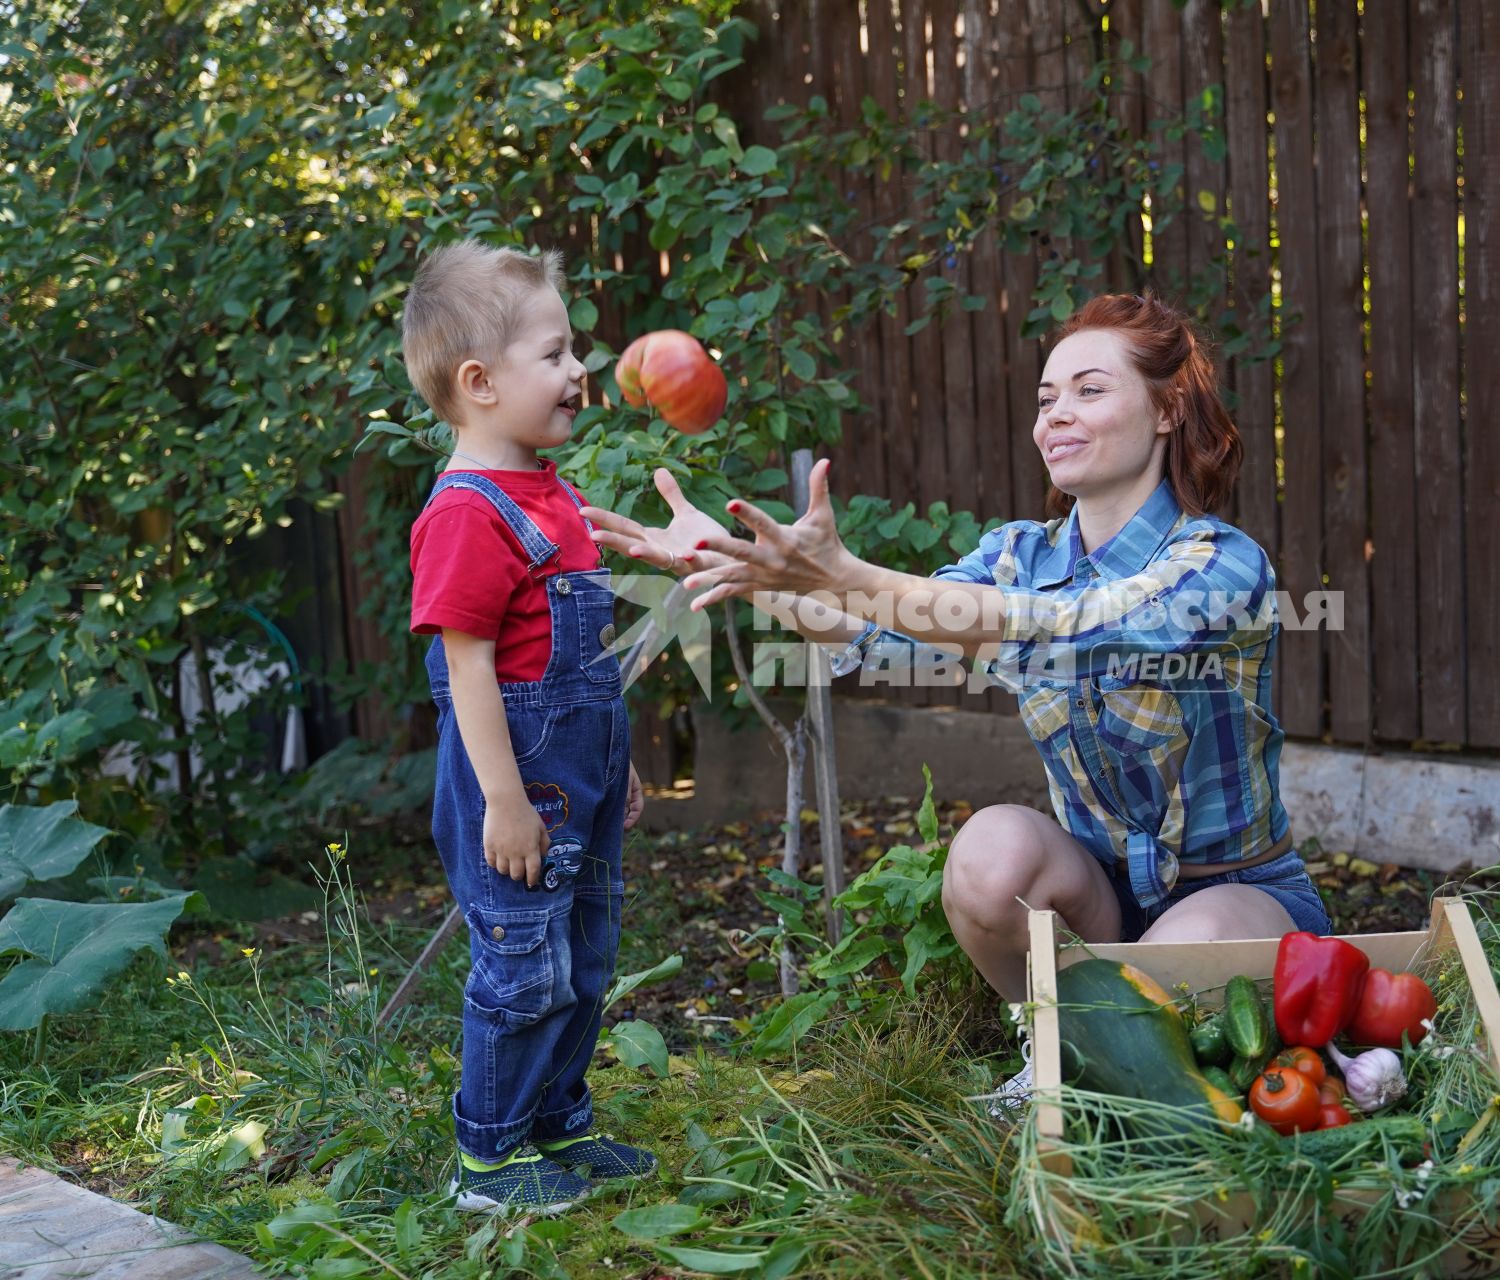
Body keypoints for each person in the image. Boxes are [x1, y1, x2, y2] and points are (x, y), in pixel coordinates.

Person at [582, 292, 1331, 1111]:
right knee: (990, 853)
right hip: (1100, 893)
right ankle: (1048, 1055)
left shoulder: (1222, 565)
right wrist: (751, 575)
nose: (1056, 417)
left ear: (1167, 409)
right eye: (1047, 400)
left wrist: (851, 575)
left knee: (1184, 954)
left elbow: (1075, 631)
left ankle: (1114, 1079)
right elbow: (881, 640)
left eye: (1089, 391)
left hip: (1235, 889)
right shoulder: (1019, 555)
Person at [402, 238, 656, 1211]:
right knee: (522, 965)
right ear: (479, 381)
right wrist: (503, 803)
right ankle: (491, 1157)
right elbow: (468, 669)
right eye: (552, 353)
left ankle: (558, 1120)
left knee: (582, 956)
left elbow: (575, 663)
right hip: (518, 791)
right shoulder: (468, 512)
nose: (577, 369)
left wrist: (615, 761)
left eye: (571, 348)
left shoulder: (547, 493)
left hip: (577, 780)